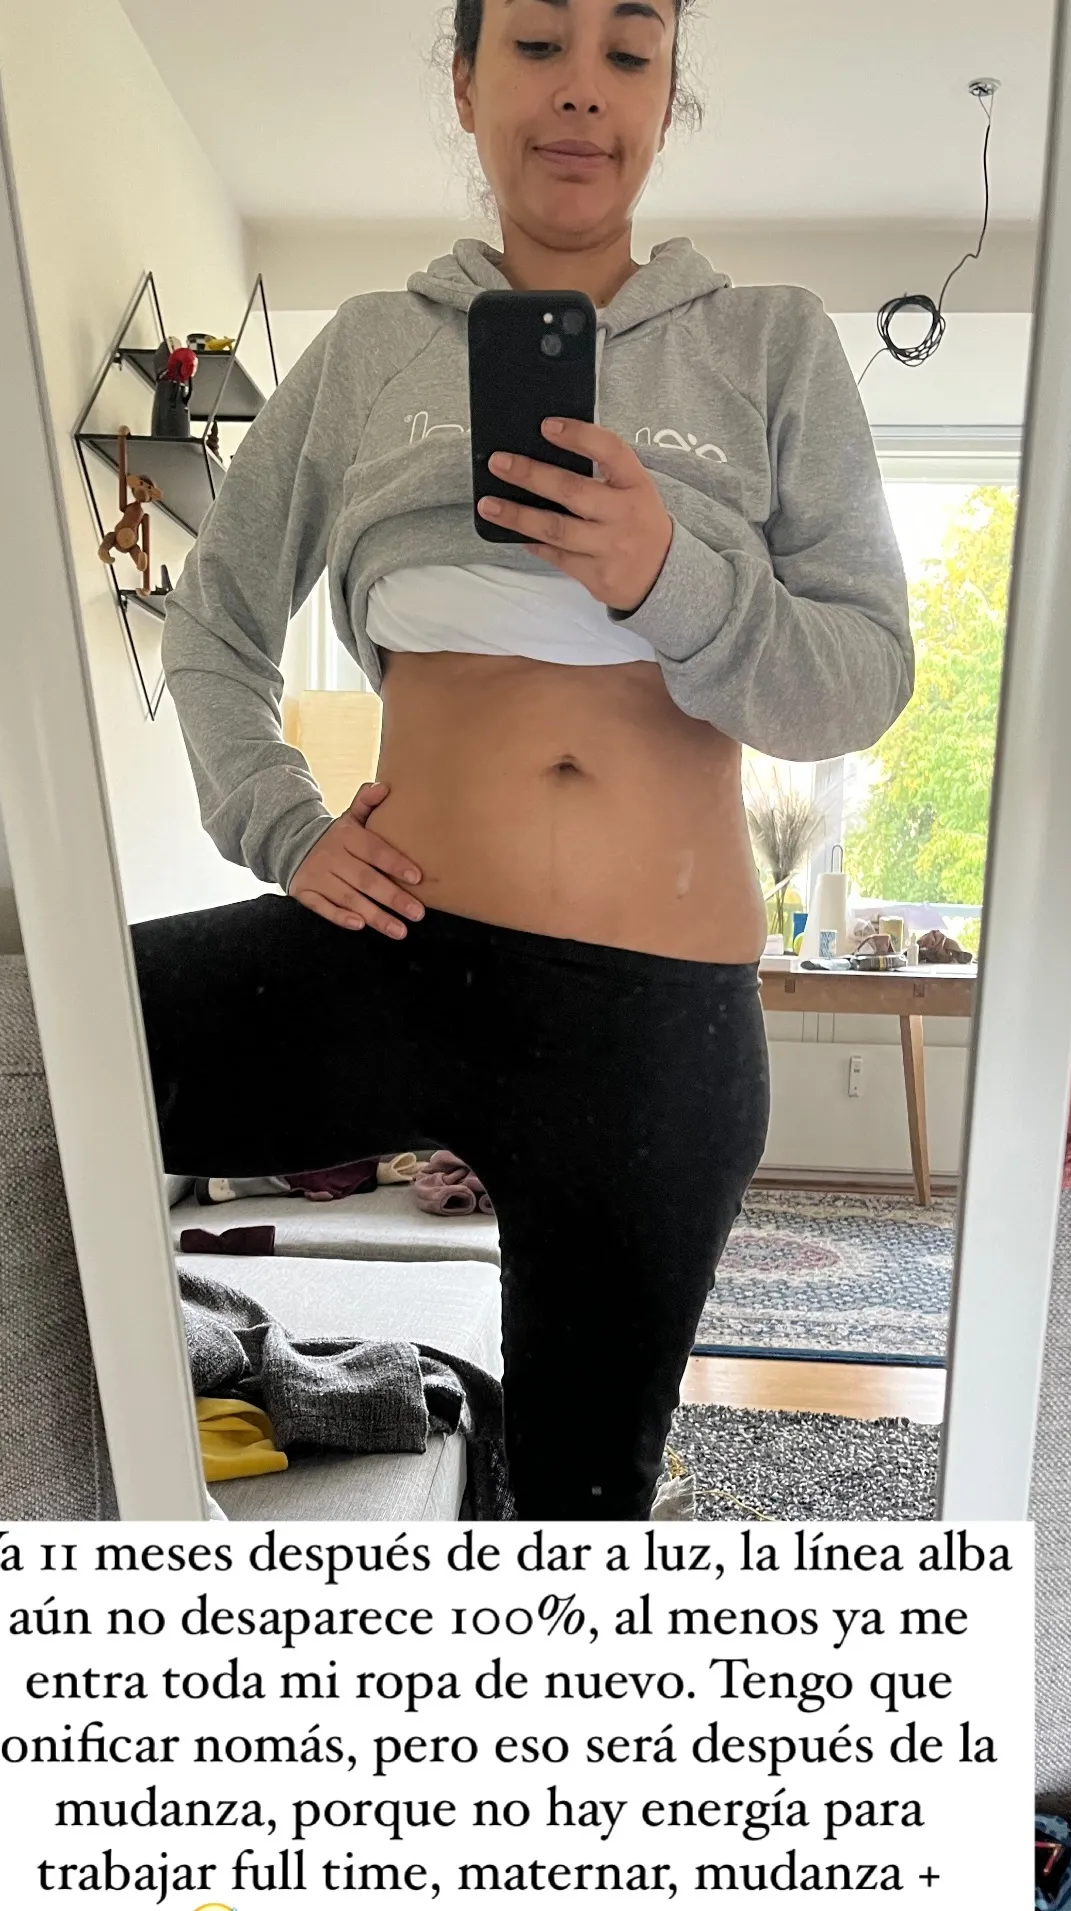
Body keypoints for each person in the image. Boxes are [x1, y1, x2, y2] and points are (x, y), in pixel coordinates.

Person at [131, 0, 914, 1522]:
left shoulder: (771, 342)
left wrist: (668, 572)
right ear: (465, 81)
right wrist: (284, 827)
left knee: (580, 1503)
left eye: (629, 50)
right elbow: (213, 622)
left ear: (668, 93)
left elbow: (858, 682)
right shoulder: (369, 349)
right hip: (394, 952)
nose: (581, 92)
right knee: (2, 1069)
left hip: (654, 1026)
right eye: (538, 45)